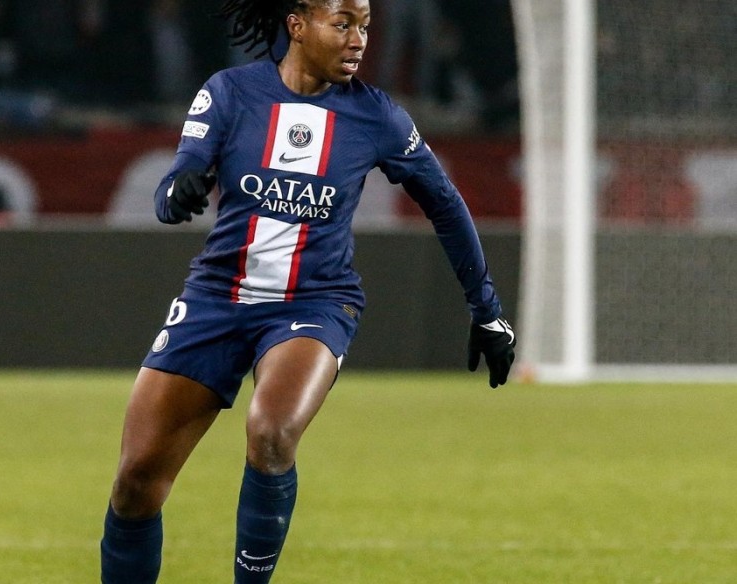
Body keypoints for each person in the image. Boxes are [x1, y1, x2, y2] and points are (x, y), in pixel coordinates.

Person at [99, 1, 516, 583]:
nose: (358, 39)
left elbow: (445, 205)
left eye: (364, 26)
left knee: (271, 431)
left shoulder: (379, 117)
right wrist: (179, 192)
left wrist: (486, 310)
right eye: (342, 23)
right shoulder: (229, 93)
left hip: (314, 304)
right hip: (216, 298)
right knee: (135, 482)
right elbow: (173, 190)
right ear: (297, 25)